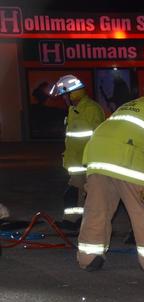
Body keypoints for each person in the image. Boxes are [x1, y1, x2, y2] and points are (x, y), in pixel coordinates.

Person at [76, 78, 144, 272]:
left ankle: (88, 257)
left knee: (97, 210)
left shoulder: (130, 105)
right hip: (130, 159)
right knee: (143, 211)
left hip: (97, 157)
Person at [49, 75, 105, 229]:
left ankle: (75, 223)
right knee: (76, 195)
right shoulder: (74, 109)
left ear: (72, 93)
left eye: (64, 95)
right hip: (75, 162)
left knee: (76, 195)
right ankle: (73, 222)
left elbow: (98, 136)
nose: (63, 99)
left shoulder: (91, 109)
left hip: (85, 163)